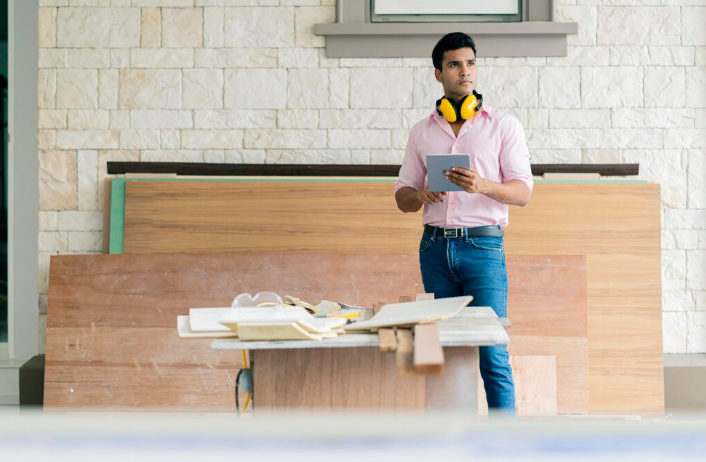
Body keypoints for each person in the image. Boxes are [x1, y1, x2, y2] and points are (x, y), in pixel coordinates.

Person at [394, 32, 533, 413]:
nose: (465, 71)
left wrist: (483, 185)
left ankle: (504, 447)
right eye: (455, 64)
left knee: (492, 351)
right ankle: (451, 443)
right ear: (438, 74)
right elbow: (401, 196)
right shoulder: (421, 131)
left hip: (483, 247)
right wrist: (420, 195)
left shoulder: (503, 125)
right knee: (446, 351)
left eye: (470, 63)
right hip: (434, 247)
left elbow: (523, 193)